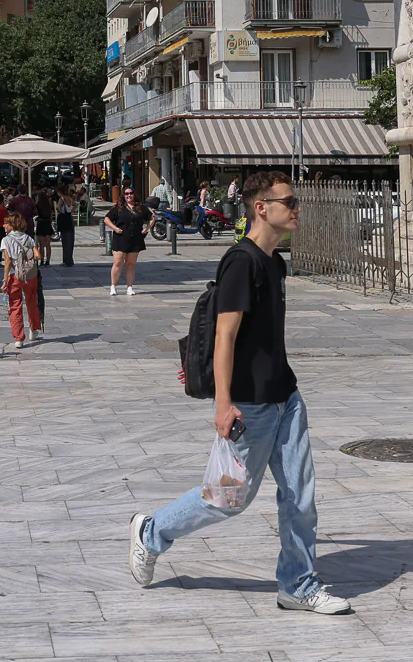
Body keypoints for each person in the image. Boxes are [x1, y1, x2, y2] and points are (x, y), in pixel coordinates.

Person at [128, 171, 351, 615]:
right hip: (248, 405)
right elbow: (224, 338)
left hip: (285, 398)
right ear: (262, 207)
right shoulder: (241, 262)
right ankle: (150, 532)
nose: (297, 208)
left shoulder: (275, 262)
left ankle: (298, 585)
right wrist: (223, 402)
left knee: (300, 496)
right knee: (228, 499)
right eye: (289, 201)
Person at [0, 213, 43, 350]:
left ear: (12, 225)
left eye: (6, 223)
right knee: (31, 301)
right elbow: (38, 256)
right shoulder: (28, 238)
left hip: (14, 276)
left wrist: (5, 279)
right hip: (30, 275)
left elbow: (7, 261)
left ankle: (19, 338)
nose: (3, 225)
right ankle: (34, 330)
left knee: (15, 305)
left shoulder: (5, 240)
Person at [102, 192, 148, 296]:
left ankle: (129, 287)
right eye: (126, 194)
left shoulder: (140, 208)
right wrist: (115, 228)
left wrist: (146, 228)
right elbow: (106, 219)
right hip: (121, 238)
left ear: (134, 195)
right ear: (123, 196)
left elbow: (152, 218)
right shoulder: (118, 208)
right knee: (118, 262)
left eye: (131, 193)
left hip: (135, 238)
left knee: (131, 264)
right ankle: (113, 286)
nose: (129, 195)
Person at [55, 187, 78, 267]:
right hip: (69, 218)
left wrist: (59, 211)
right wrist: (71, 211)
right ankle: (70, 259)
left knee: (65, 240)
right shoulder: (69, 198)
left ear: (59, 192)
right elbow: (75, 205)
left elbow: (58, 207)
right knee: (70, 240)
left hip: (64, 219)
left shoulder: (61, 199)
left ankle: (66, 260)